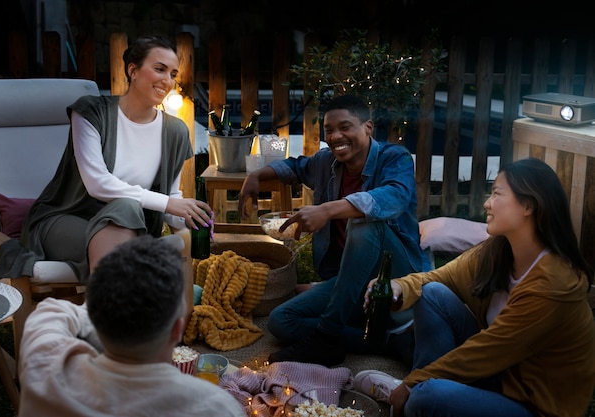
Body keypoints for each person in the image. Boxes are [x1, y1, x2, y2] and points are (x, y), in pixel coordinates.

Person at [353, 158, 595, 417]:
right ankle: (417, 392)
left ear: (528, 205)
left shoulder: (554, 283)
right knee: (433, 293)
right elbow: (438, 278)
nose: (487, 203)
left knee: (427, 397)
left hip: (537, 406)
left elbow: (488, 350)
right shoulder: (497, 253)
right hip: (501, 379)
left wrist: (413, 383)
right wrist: (397, 285)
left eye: (497, 194)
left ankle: (412, 392)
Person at [0, 35, 212, 282]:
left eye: (173, 73)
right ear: (133, 71)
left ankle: (103, 312)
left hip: (132, 227)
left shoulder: (175, 131)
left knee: (127, 214)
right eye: (159, 69)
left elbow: (171, 196)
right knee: (127, 215)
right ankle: (122, 308)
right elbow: (97, 183)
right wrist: (167, 204)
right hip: (69, 220)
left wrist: (189, 216)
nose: (167, 80)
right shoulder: (91, 112)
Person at [238, 94, 431, 367]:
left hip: (396, 273)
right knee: (282, 322)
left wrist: (327, 210)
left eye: (345, 127)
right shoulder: (325, 162)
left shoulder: (394, 158)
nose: (336, 136)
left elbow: (394, 196)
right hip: (350, 279)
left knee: (364, 224)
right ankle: (389, 340)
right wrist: (256, 175)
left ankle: (327, 336)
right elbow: (294, 166)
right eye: (329, 130)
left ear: (368, 127)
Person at [17, 235, 245, 417]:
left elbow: (51, 311)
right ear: (177, 329)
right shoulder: (216, 408)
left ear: (97, 317)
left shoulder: (43, 364)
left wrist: (105, 309)